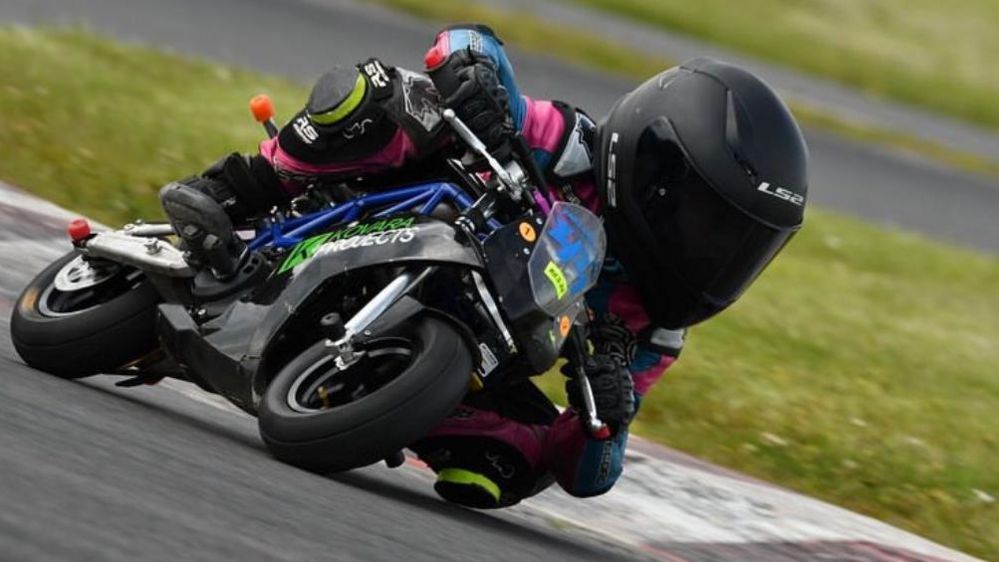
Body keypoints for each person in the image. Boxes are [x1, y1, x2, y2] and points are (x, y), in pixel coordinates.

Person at [160, 24, 808, 508]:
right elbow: (464, 44)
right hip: (399, 207)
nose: (718, 255)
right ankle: (234, 190)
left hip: (468, 335)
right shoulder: (575, 148)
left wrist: (607, 418)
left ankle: (372, 395)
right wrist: (477, 82)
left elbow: (590, 476)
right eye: (710, 227)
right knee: (383, 96)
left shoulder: (652, 327)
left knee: (515, 464)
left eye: (742, 245)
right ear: (658, 172)